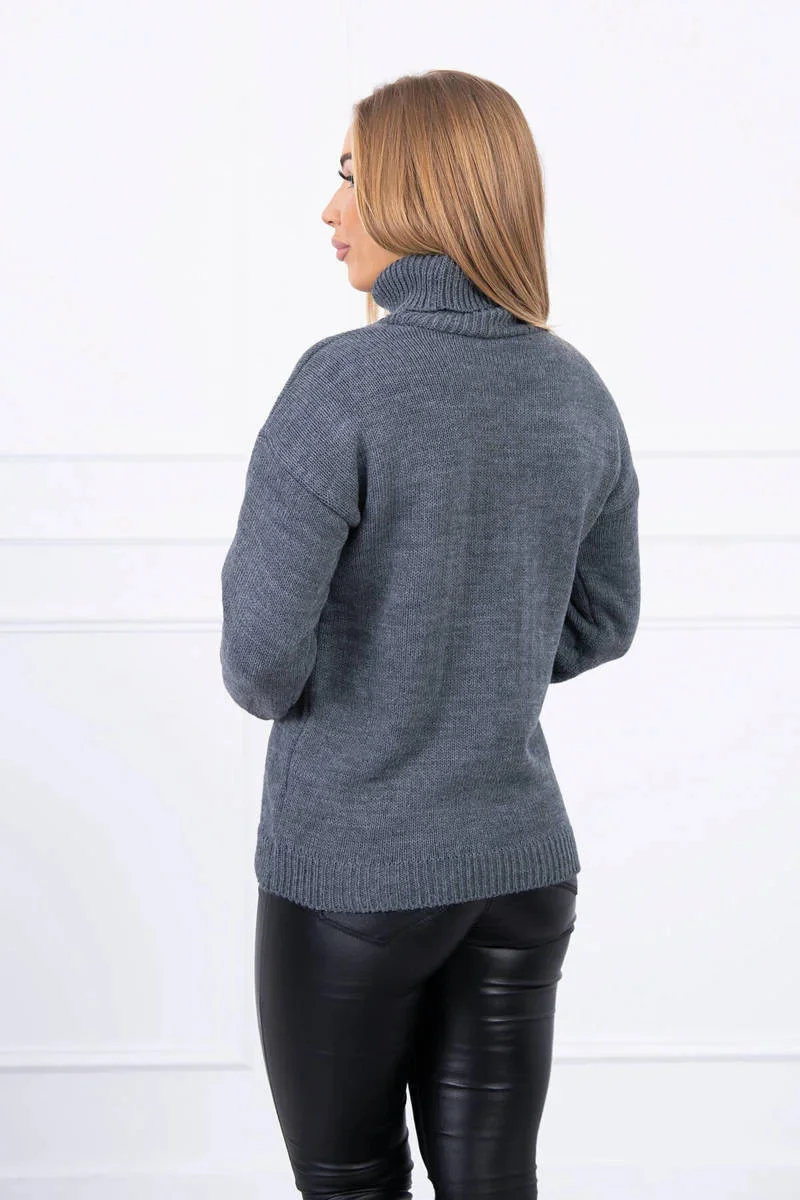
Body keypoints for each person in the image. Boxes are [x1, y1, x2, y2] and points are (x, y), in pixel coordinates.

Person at [221, 69, 640, 1200]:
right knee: (492, 1185)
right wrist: (471, 660)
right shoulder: (573, 388)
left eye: (352, 178)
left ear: (420, 192)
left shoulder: (342, 384)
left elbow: (259, 664)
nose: (331, 209)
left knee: (348, 1181)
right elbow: (604, 622)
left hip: (352, 874)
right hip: (520, 871)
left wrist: (391, 670)